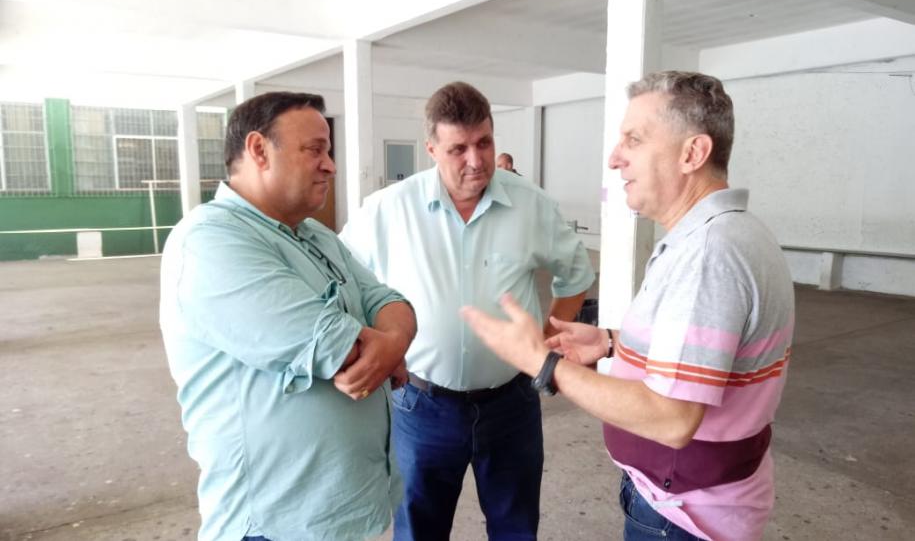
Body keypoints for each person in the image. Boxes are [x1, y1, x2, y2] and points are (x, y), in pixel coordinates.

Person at [462, 71, 794, 541]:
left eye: (633, 140)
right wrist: (612, 341)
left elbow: (671, 417)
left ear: (692, 153)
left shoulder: (707, 254)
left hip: (681, 515)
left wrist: (542, 362)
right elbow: (709, 355)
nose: (615, 158)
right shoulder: (727, 234)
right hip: (699, 501)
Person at [340, 81, 595, 540]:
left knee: (516, 526)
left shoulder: (530, 205)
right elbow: (343, 284)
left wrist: (543, 344)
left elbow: (575, 276)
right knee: (419, 526)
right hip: (421, 406)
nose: (475, 161)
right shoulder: (388, 210)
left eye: (484, 143)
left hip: (511, 404)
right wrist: (376, 346)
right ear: (432, 149)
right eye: (458, 148)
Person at [159, 91, 417, 541]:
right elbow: (345, 352)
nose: (330, 165)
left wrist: (390, 341)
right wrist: (389, 346)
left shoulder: (314, 234)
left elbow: (389, 301)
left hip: (352, 510)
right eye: (315, 149)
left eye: (329, 151)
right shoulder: (208, 242)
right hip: (278, 524)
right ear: (259, 150)